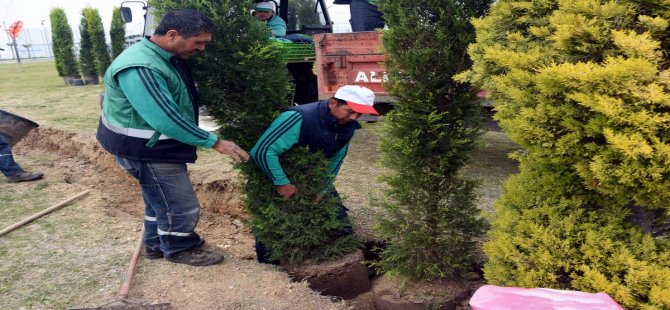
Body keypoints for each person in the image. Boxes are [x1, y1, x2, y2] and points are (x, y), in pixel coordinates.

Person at [96, 9, 249, 266]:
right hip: (145, 150)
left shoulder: (161, 56)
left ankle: (156, 244)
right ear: (172, 35)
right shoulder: (140, 67)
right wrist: (215, 142)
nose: (201, 49)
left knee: (159, 201)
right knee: (180, 205)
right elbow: (166, 118)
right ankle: (180, 248)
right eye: (198, 42)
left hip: (149, 146)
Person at [250, 85, 378, 263]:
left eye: (359, 114)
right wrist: (281, 182)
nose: (354, 118)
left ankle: (348, 270)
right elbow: (263, 151)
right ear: (333, 103)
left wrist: (323, 189)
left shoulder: (348, 127)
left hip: (314, 177)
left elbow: (335, 161)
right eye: (350, 111)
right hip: (274, 175)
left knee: (340, 225)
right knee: (272, 228)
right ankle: (273, 271)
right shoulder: (299, 117)